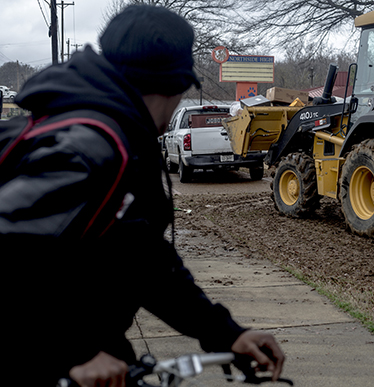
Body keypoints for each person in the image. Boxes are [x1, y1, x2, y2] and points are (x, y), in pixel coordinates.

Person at [1, 5, 284, 386]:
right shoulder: (94, 147)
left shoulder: (118, 134)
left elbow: (140, 256)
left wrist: (224, 332)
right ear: (177, 84)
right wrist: (77, 351)